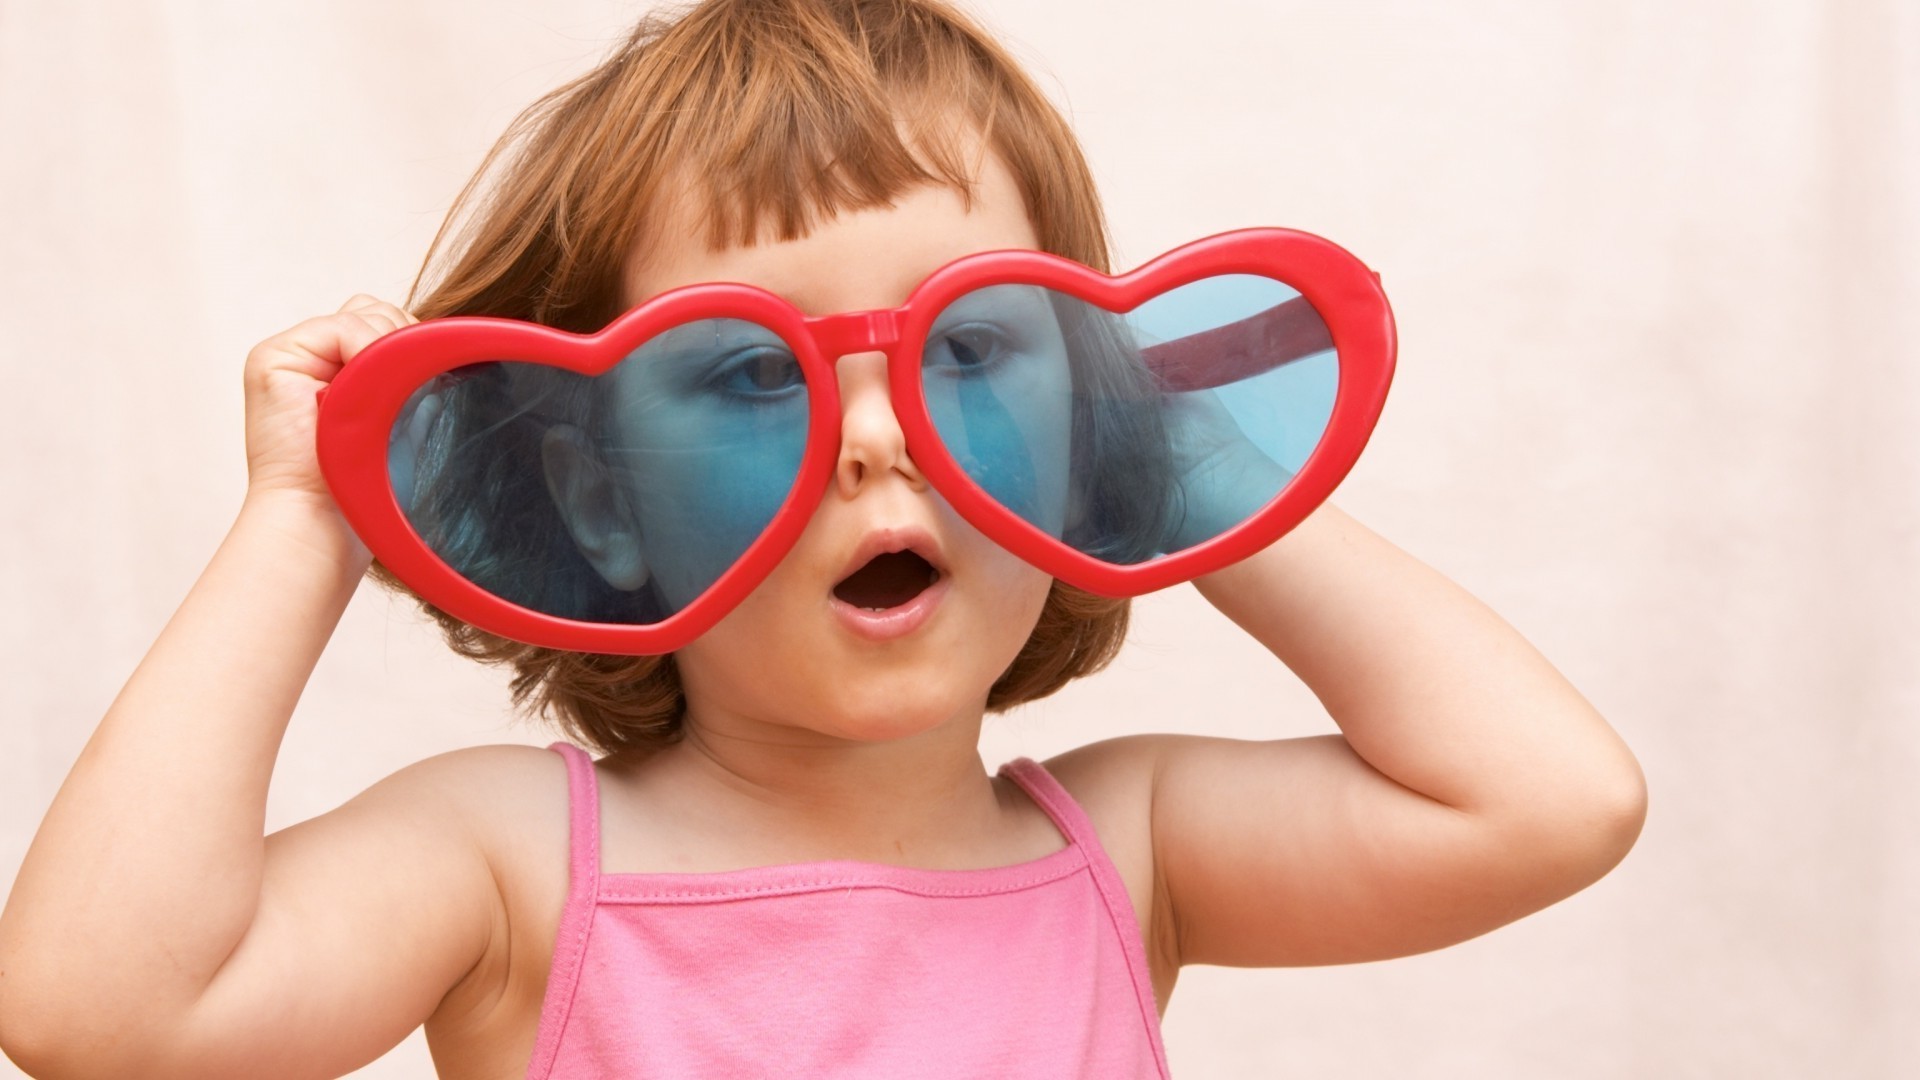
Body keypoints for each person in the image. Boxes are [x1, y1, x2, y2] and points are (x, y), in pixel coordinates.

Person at [0, 1, 1648, 1077]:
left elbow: (1550, 801)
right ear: (597, 498)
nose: (876, 431)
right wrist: (304, 518)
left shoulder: (1123, 849)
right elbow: (94, 1015)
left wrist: (1159, 456)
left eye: (976, 351)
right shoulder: (510, 864)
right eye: (746, 370)